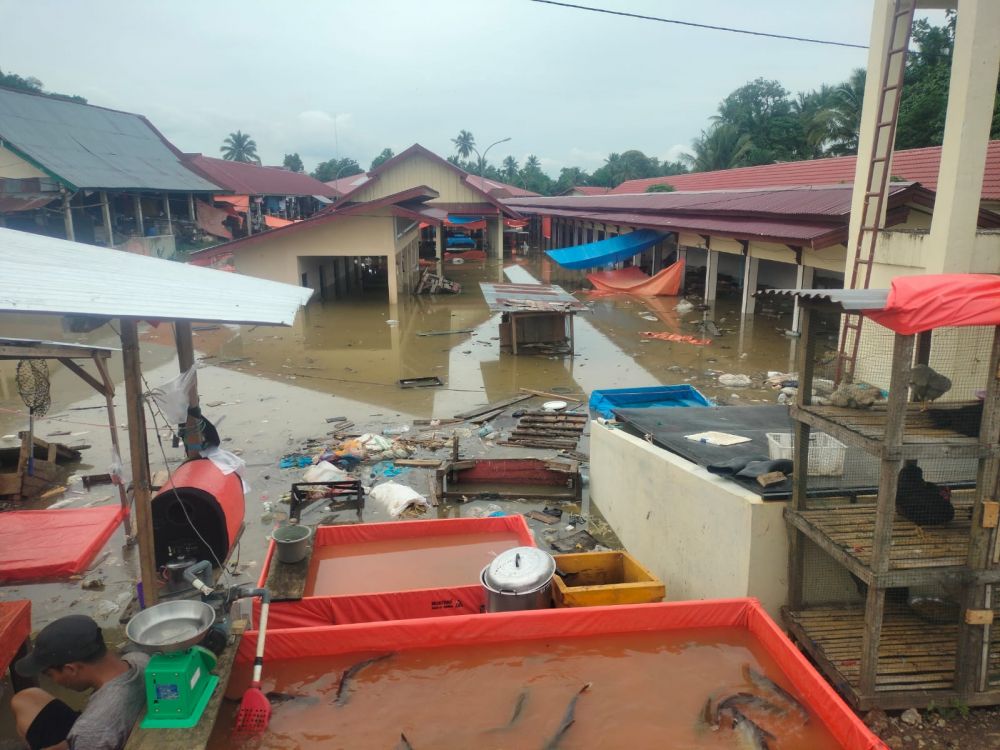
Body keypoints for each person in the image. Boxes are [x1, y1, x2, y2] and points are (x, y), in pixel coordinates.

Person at [11, 615, 149, 750]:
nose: (54, 681)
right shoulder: (141, 660)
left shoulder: (90, 729)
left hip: (98, 732)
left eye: (50, 675)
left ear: (70, 669)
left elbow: (92, 734)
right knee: (27, 697)